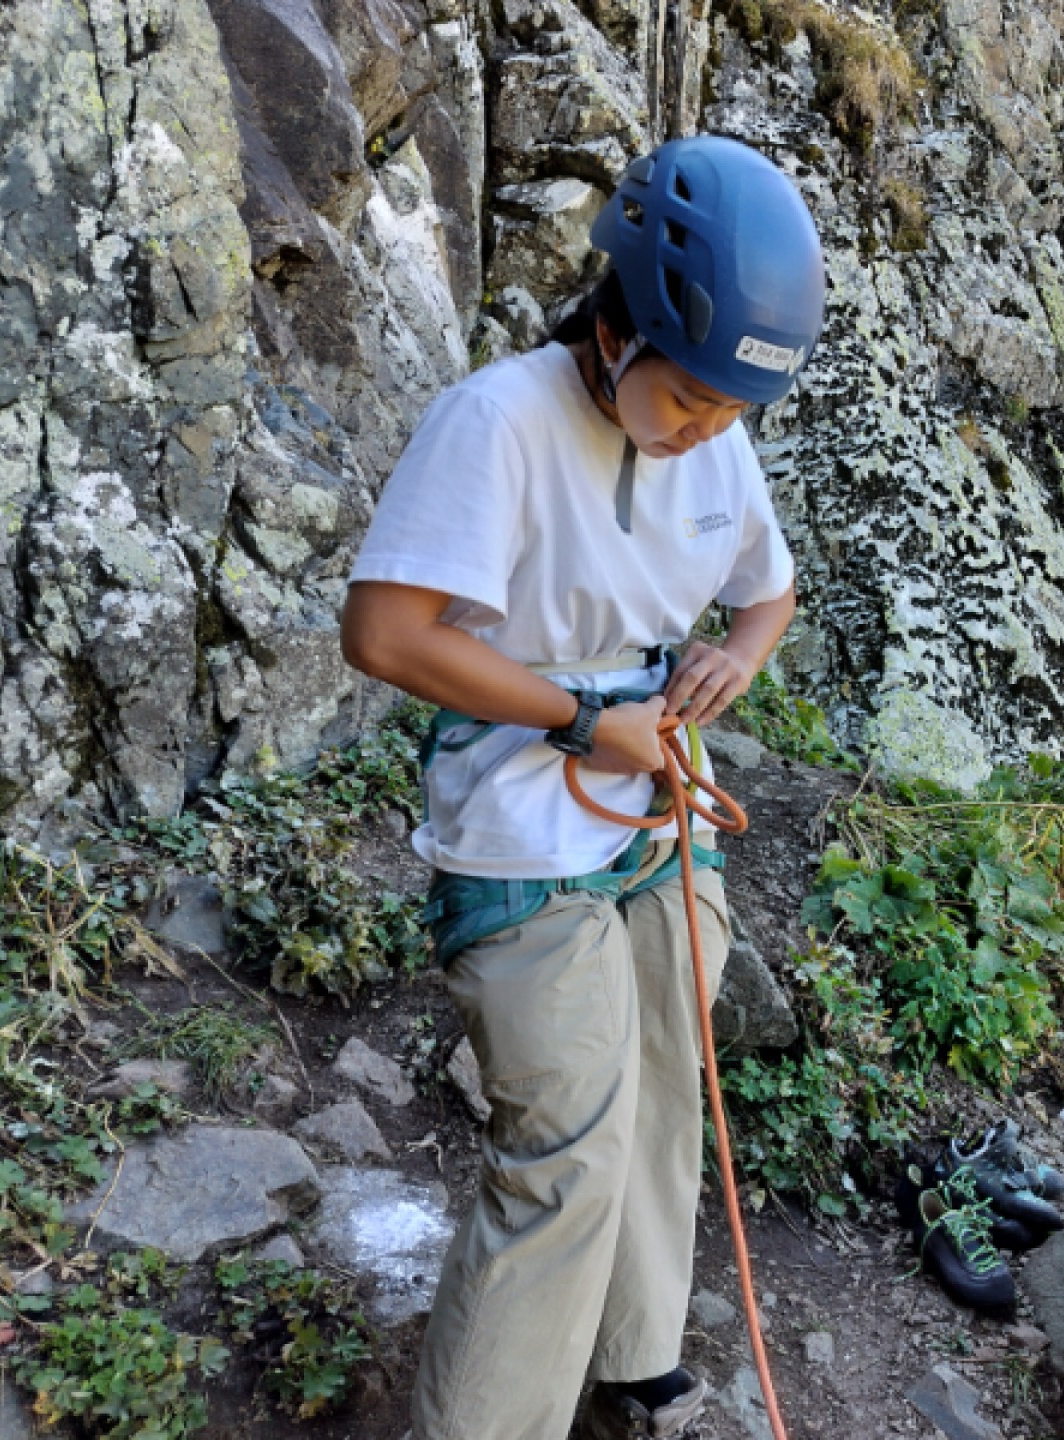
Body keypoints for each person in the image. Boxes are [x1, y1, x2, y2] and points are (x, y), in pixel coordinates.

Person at [341, 134, 824, 1440]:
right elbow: (386, 634)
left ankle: (635, 1355)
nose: (708, 429)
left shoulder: (714, 439)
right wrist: (577, 718)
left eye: (733, 409)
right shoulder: (499, 422)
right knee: (564, 1150)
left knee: (668, 1087)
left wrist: (735, 653)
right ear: (619, 327)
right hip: (519, 825)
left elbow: (766, 588)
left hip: (660, 810)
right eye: (691, 399)